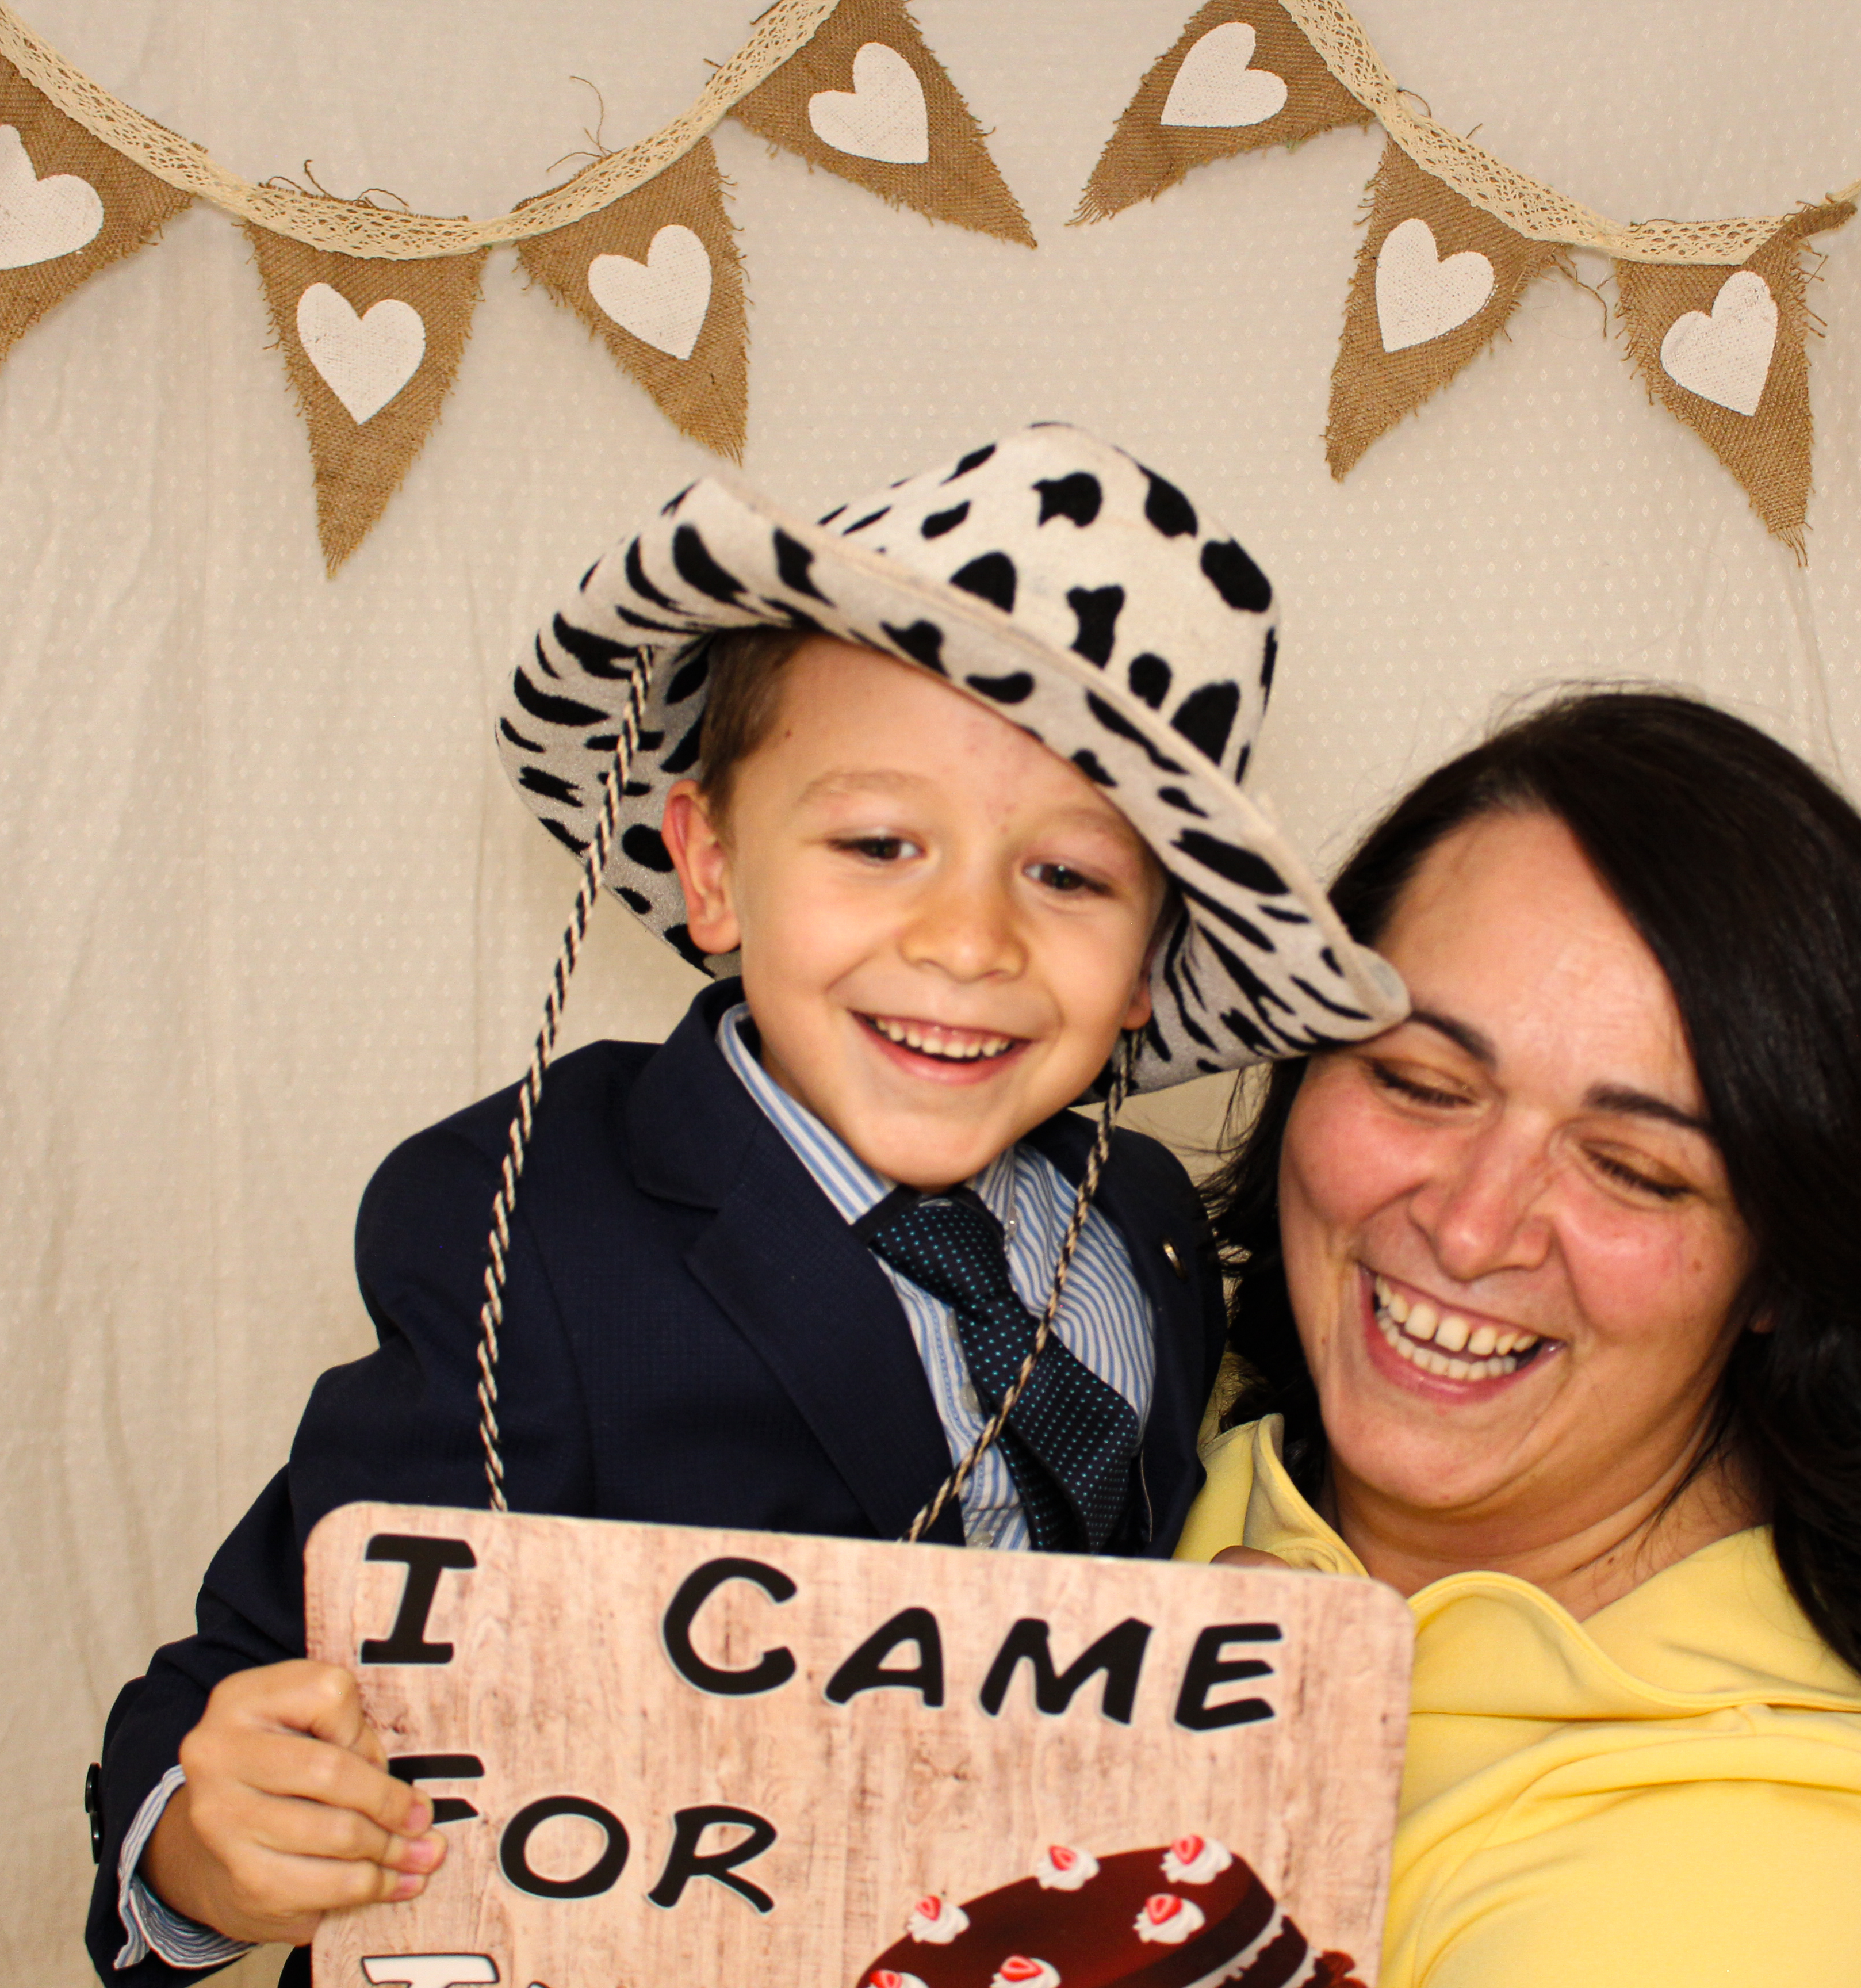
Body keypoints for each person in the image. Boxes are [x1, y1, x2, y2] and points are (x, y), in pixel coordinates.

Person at [82, 425, 1407, 1987]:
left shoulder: (1148, 1231)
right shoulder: (529, 1225)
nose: (969, 941)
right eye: (880, 844)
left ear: (1149, 966)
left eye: (1068, 877)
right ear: (711, 869)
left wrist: (1222, 1656)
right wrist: (213, 1844)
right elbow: (272, 1663)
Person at [1181, 689, 1861, 1988]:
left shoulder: (1784, 1872)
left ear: (1786, 1263)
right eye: (1420, 1083)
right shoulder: (1124, 1403)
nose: (1473, 1228)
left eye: (1634, 1170)